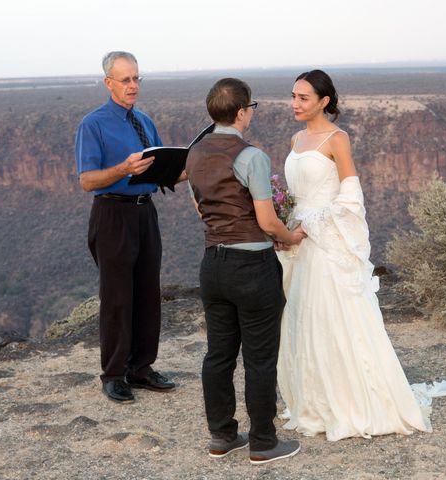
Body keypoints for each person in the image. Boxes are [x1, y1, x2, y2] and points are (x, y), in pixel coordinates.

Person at [276, 69, 446, 441]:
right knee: (304, 319)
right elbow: (296, 193)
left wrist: (306, 226)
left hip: (326, 245)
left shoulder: (337, 139)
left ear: (324, 102)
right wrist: (284, 225)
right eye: (293, 96)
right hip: (299, 245)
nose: (295, 104)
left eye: (303, 98)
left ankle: (352, 404)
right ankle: (313, 401)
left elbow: (350, 198)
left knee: (333, 319)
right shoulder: (297, 138)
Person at [186, 78, 305, 464]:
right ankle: (263, 442)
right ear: (240, 112)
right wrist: (293, 236)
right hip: (252, 267)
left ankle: (222, 436)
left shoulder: (194, 154)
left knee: (218, 355)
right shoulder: (250, 156)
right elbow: (268, 221)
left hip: (212, 265)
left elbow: (201, 209)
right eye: (251, 106)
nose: (251, 111)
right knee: (259, 357)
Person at [75, 51, 175, 403]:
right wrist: (123, 169)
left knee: (148, 292)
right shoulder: (93, 124)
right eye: (125, 80)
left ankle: (142, 368)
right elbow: (87, 180)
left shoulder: (144, 121)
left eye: (136, 78)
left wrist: (190, 163)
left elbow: (159, 167)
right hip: (112, 215)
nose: (133, 85)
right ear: (109, 83)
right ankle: (114, 374)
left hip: (145, 213)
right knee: (117, 297)